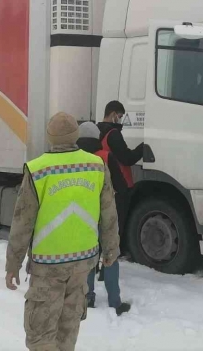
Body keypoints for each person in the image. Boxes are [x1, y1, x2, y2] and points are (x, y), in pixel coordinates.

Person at [6, 112, 120, 351]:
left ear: (50, 137)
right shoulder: (96, 166)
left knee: (41, 337)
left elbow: (22, 222)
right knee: (68, 332)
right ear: (75, 136)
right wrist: (111, 249)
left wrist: (13, 264)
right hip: (82, 264)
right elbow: (109, 213)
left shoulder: (38, 169)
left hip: (48, 266)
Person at [76, 122, 131, 316]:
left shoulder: (74, 159)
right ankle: (114, 302)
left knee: (88, 256)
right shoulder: (106, 157)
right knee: (111, 255)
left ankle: (88, 297)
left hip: (82, 215)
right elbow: (121, 186)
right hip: (106, 214)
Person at [97, 101, 143, 235]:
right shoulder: (113, 134)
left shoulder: (97, 131)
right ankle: (119, 251)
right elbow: (127, 158)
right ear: (113, 115)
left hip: (104, 182)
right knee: (119, 222)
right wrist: (143, 147)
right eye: (120, 116)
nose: (120, 119)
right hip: (120, 184)